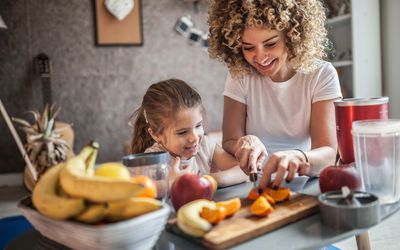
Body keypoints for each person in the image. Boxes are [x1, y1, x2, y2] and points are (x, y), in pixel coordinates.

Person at [208, 0, 342, 189]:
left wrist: (297, 157)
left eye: (270, 44)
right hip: (252, 182)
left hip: (301, 181)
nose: (260, 57)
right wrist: (243, 143)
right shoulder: (240, 75)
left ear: (292, 36)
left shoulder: (321, 75)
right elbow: (229, 140)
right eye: (248, 47)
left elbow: (328, 153)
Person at [129, 78, 248, 188]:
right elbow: (139, 190)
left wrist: (206, 180)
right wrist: (172, 183)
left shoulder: (205, 146)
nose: (194, 138)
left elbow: (243, 172)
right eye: (182, 132)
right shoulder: (153, 160)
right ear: (156, 135)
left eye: (198, 126)